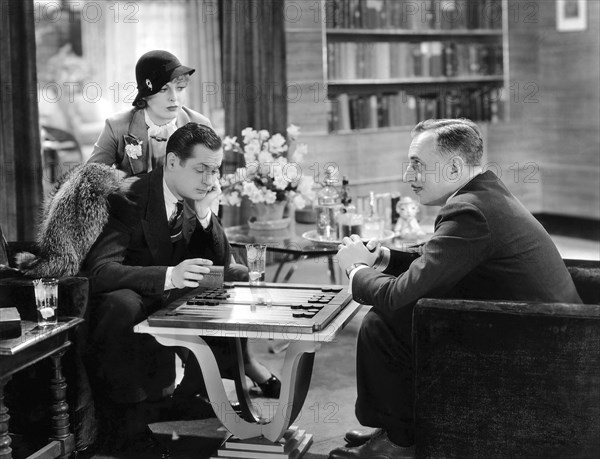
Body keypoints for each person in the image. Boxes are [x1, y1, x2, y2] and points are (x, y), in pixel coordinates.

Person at [330, 118, 582, 459]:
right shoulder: (482, 195)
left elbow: (396, 295)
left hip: (536, 352)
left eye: (417, 166)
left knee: (384, 321)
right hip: (543, 333)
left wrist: (355, 269)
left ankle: (400, 442)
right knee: (398, 318)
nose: (408, 177)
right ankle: (395, 428)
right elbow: (439, 258)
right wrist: (384, 257)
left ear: (452, 168)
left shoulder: (471, 211)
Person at [82, 123, 269, 455]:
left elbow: (221, 266)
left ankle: (192, 392)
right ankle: (128, 423)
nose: (210, 180)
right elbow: (100, 271)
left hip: (172, 291)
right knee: (122, 304)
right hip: (132, 295)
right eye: (201, 169)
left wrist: (205, 214)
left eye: (214, 170)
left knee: (237, 276)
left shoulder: (196, 194)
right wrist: (169, 275)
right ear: (171, 163)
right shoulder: (130, 195)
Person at [88, 49, 211, 175]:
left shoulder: (201, 124)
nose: (174, 97)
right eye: (163, 89)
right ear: (145, 95)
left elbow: (211, 179)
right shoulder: (116, 126)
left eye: (180, 88)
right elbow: (91, 178)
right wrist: (129, 184)